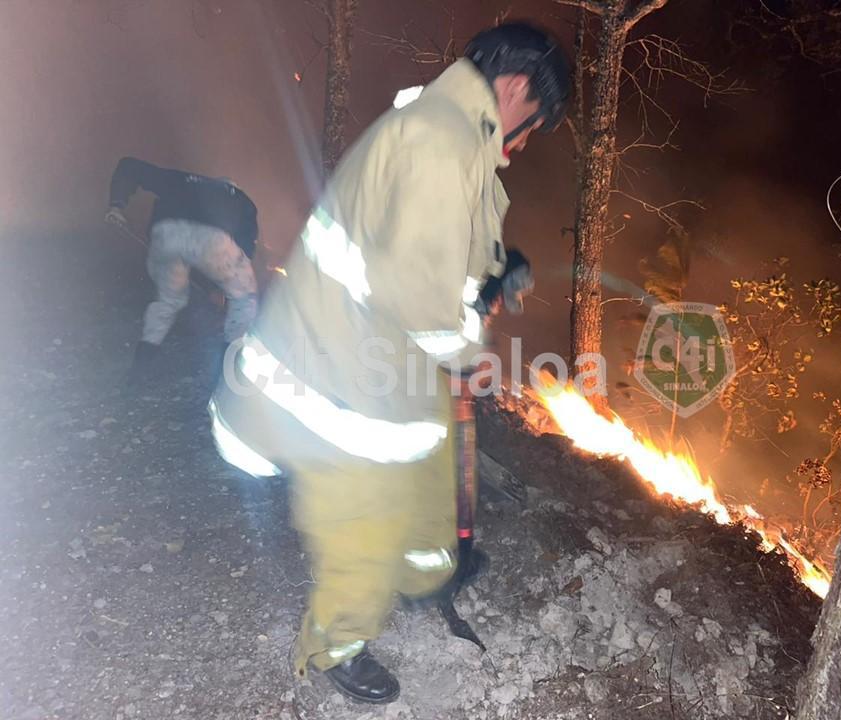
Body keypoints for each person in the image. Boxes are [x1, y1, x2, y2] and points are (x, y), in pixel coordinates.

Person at [208, 22, 571, 708]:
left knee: (432, 474)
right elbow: (417, 288)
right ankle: (337, 643)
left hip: (389, 360)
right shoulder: (439, 138)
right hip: (336, 375)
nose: (524, 144)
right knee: (362, 518)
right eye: (534, 123)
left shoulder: (455, 137)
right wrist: (467, 349)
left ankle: (426, 572)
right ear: (516, 88)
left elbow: (448, 255)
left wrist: (496, 274)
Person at [105, 157, 259, 383]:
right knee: (245, 299)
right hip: (214, 239)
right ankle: (228, 372)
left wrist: (116, 205)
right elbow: (245, 248)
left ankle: (140, 367)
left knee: (167, 301)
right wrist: (222, 289)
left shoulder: (181, 180)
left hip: (164, 234)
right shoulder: (241, 199)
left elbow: (128, 165)